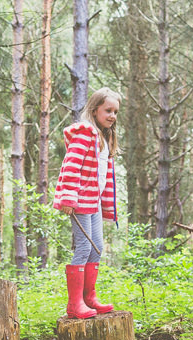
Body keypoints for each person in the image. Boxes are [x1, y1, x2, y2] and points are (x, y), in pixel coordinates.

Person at [53, 88, 121, 319]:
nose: (112, 116)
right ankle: (75, 304)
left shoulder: (104, 138)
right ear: (94, 110)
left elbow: (103, 176)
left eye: (115, 112)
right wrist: (69, 198)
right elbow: (71, 167)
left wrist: (106, 206)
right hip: (80, 201)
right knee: (83, 248)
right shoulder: (85, 134)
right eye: (108, 110)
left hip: (94, 203)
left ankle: (89, 298)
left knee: (97, 247)